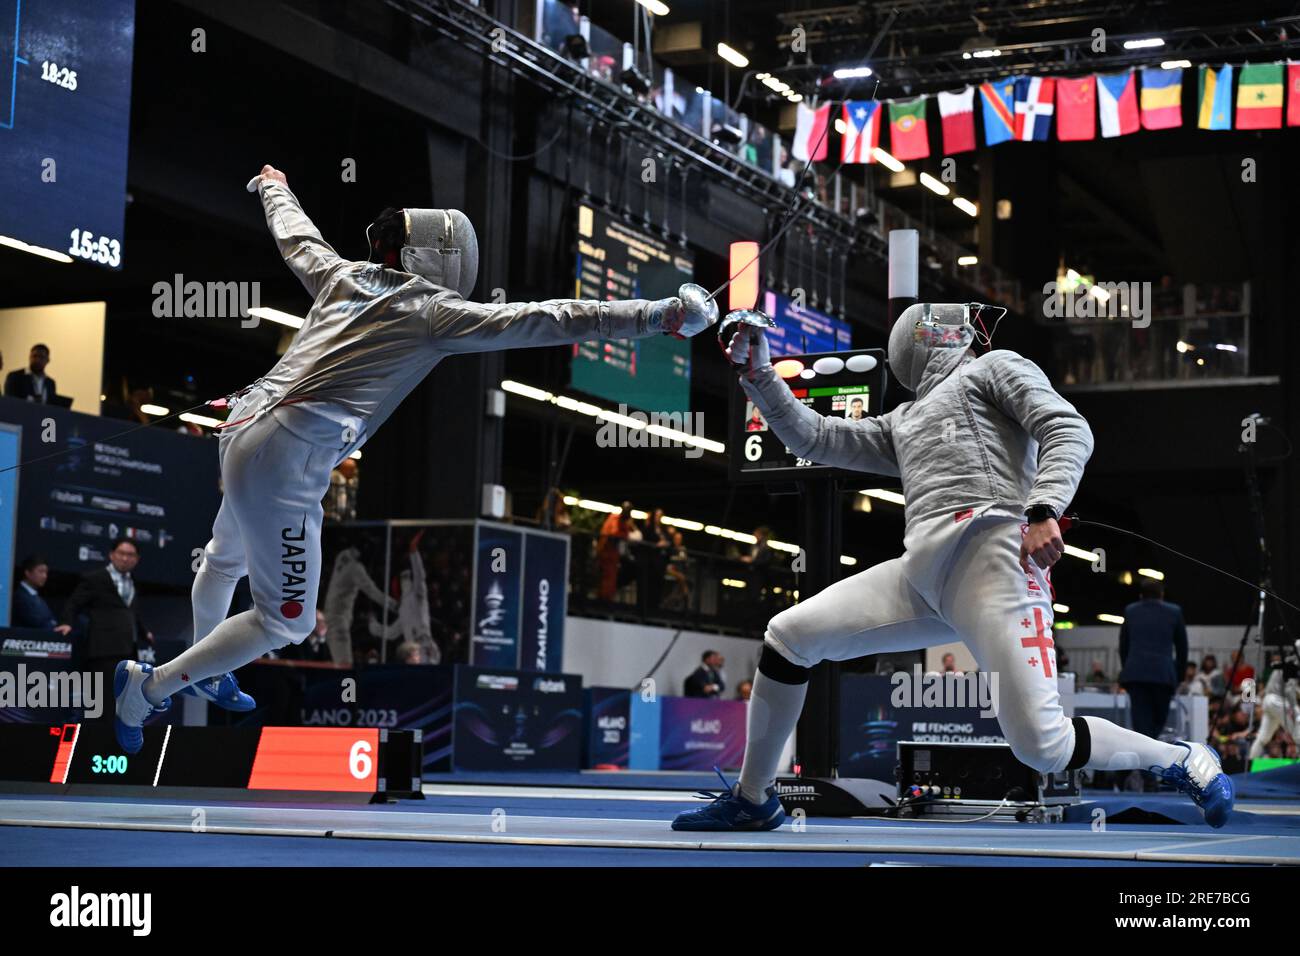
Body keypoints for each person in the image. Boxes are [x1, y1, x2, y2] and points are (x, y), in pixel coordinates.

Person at [110, 164, 716, 752]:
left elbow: (297, 236)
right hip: (287, 460)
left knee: (224, 558)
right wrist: (659, 316)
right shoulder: (433, 311)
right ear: (443, 264)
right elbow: (544, 317)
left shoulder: (340, 274)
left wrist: (274, 188)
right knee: (287, 621)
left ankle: (207, 665)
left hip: (242, 430)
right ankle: (151, 686)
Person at [674, 303, 1233, 831]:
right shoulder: (903, 420)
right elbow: (815, 436)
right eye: (969, 326)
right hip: (922, 575)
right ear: (938, 334)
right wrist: (760, 374)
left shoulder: (995, 369)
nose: (980, 334)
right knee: (789, 635)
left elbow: (1068, 428)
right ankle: (754, 798)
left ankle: (1182, 758)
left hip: (996, 560)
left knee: (1041, 747)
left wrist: (1044, 509)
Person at [57, 538, 155, 721]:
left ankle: (118, 742)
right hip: (103, 650)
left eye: (130, 555)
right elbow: (74, 602)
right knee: (103, 705)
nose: (125, 558)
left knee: (124, 703)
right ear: (111, 555)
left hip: (128, 651)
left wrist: (144, 632)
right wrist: (67, 622)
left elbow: (131, 612)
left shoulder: (132, 581)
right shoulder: (95, 578)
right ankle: (98, 741)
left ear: (137, 559)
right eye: (121, 553)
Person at [1118, 578, 1187, 743]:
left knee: (1141, 724)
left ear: (1141, 595)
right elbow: (1182, 647)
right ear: (1162, 594)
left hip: (1136, 675)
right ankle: (1147, 762)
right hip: (1163, 676)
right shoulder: (1175, 611)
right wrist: (1179, 676)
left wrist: (1127, 668)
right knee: (1158, 721)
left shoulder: (1130, 611)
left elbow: (1123, 645)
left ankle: (1145, 761)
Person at [13, 554, 59, 629]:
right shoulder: (19, 596)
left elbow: (51, 619)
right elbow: (38, 623)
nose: (45, 576)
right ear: (27, 573)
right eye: (41, 571)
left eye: (46, 572)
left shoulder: (38, 598)